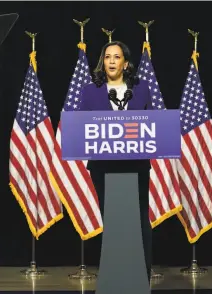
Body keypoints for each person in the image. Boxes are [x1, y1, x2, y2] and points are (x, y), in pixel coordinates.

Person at [79, 41, 153, 281]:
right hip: (103, 165)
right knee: (111, 218)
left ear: (126, 63)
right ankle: (115, 276)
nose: (111, 61)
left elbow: (152, 124)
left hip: (136, 165)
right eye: (107, 56)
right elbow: (80, 126)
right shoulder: (90, 91)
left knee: (139, 218)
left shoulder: (141, 89)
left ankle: (142, 274)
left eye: (117, 57)